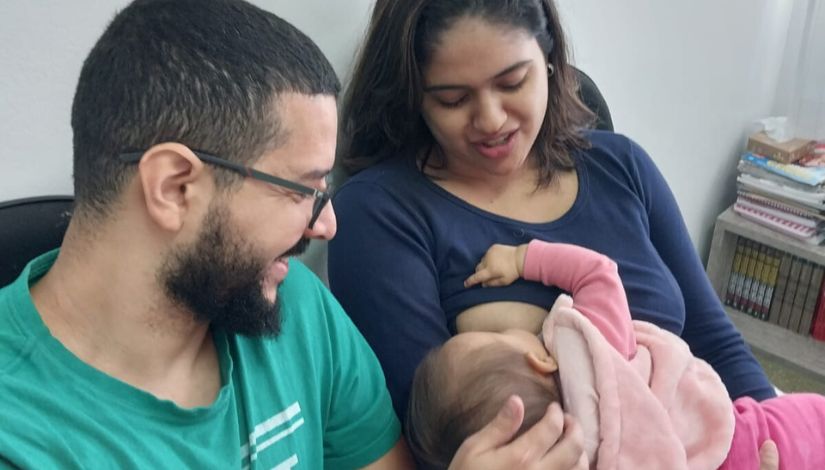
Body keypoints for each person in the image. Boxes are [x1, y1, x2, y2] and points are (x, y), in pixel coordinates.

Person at [0, 1, 590, 468]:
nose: (326, 222)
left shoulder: (294, 308)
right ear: (175, 187)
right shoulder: (23, 436)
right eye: (302, 188)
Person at [328, 0, 776, 429]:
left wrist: (776, 434)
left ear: (548, 61)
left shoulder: (622, 165)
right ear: (416, 98)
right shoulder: (380, 214)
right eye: (452, 100)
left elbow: (716, 341)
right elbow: (431, 432)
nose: (490, 119)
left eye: (511, 83)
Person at [408, 241, 825, 469]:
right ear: (541, 359)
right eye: (498, 336)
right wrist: (523, 257)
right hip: (751, 435)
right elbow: (596, 273)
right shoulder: (592, 349)